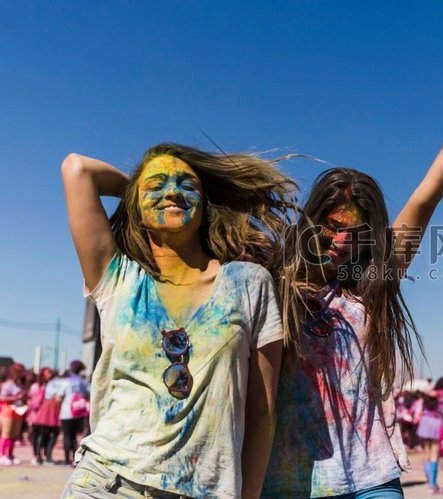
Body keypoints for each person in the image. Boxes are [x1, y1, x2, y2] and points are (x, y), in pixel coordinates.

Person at [262, 62, 443, 499]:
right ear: (311, 222)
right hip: (289, 480)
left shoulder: (370, 283)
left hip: (372, 480)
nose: (340, 240)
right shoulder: (273, 283)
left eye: (353, 231)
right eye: (330, 226)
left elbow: (426, 197)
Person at [60, 145, 293, 497]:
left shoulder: (249, 282)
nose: (172, 191)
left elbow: (262, 414)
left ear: (205, 204)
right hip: (106, 483)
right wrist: (138, 187)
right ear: (136, 207)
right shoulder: (118, 279)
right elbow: (76, 169)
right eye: (156, 185)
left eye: (187, 184)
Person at [57, 361, 90, 465]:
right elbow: (87, 394)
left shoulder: (66, 382)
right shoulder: (83, 382)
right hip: (79, 412)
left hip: (66, 412)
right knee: (74, 436)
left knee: (67, 436)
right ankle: (75, 458)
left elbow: (59, 397)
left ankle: (67, 459)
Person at [0, 363, 27, 466]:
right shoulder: (8, 384)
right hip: (8, 411)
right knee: (6, 434)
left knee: (14, 435)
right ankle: (2, 455)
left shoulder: (20, 385)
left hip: (18, 411)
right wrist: (15, 398)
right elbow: (2, 397)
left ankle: (10, 455)